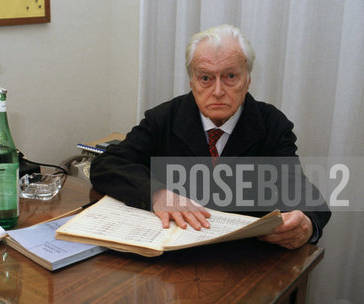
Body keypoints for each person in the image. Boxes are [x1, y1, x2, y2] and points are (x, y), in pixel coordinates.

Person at [90, 24, 331, 250]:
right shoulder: (165, 117)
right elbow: (106, 165)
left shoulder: (271, 125)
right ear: (192, 82)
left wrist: (306, 224)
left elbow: (304, 196)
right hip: (172, 256)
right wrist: (157, 193)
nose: (217, 91)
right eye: (205, 78)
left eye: (230, 77)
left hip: (243, 261)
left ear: (247, 80)